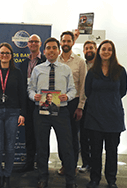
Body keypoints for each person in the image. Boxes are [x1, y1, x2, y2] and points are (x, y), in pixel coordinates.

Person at [27, 37, 77, 188]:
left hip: (61, 111)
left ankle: (70, 180)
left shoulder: (66, 69)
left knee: (66, 146)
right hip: (41, 112)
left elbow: (73, 89)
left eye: (54, 48)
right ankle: (43, 178)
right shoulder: (37, 69)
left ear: (58, 51)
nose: (51, 51)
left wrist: (67, 96)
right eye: (48, 48)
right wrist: (33, 96)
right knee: (42, 146)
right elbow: (30, 88)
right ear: (44, 51)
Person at [85, 40, 126, 188]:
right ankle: (94, 179)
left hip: (113, 117)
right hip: (94, 116)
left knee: (112, 152)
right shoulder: (92, 72)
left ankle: (111, 180)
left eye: (109, 49)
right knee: (95, 151)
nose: (106, 52)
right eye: (103, 49)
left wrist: (109, 101)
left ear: (113, 52)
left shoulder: (120, 71)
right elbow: (87, 91)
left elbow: (122, 91)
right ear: (99, 51)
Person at [0, 42, 26, 188]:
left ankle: (7, 175)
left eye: (7, 53)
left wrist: (23, 113)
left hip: (13, 112)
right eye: (2, 53)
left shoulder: (17, 73)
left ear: (11, 56)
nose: (4, 55)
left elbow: (22, 94)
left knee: (10, 147)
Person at [57, 31, 87, 176]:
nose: (66, 44)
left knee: (73, 137)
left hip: (73, 103)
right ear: (60, 42)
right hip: (57, 103)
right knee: (60, 136)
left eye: (69, 41)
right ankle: (64, 164)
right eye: (64, 41)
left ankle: (73, 165)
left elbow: (83, 86)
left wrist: (80, 106)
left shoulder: (80, 62)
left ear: (73, 43)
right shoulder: (55, 60)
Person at [19, 34, 46, 173]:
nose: (33, 44)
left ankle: (41, 166)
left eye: (36, 41)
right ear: (28, 44)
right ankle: (29, 163)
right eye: (30, 42)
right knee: (29, 135)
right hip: (27, 103)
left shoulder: (46, 61)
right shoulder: (23, 63)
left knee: (41, 136)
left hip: (42, 103)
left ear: (40, 44)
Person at [78, 40, 97, 173]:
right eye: (86, 48)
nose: (89, 50)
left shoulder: (102, 66)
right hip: (83, 105)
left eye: (91, 48)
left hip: (98, 106)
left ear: (96, 49)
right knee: (83, 136)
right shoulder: (81, 65)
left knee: (96, 137)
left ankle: (95, 164)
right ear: (83, 51)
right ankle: (86, 163)